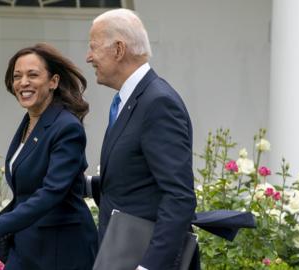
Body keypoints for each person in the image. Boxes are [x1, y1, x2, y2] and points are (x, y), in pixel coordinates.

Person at [0, 43, 98, 270]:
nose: (23, 83)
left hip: (62, 250)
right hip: (29, 246)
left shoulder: (66, 127)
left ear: (54, 82)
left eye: (33, 75)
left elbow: (50, 193)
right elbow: (24, 195)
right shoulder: (31, 121)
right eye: (17, 76)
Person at [85, 9, 199, 270]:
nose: (88, 57)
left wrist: (149, 266)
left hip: (143, 260)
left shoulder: (157, 103)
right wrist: (86, 185)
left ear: (118, 49)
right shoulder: (134, 100)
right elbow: (139, 182)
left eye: (93, 47)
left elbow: (179, 196)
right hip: (122, 256)